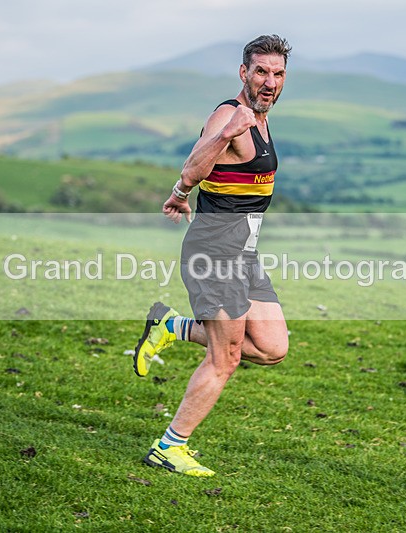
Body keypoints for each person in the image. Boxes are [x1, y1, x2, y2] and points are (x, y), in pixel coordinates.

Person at [133, 35, 292, 477]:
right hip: (214, 251)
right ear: (244, 73)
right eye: (261, 71)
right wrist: (187, 184)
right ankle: (169, 447)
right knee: (227, 356)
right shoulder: (231, 115)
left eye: (277, 74)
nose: (269, 82)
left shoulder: (259, 118)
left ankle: (172, 326)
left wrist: (180, 195)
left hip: (244, 252)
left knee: (273, 347)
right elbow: (194, 166)